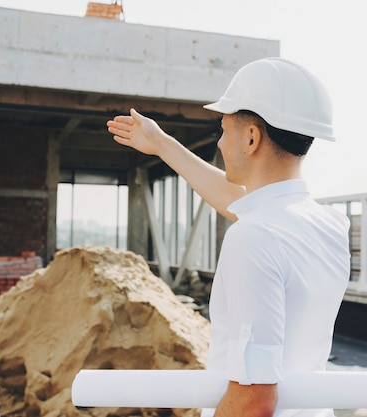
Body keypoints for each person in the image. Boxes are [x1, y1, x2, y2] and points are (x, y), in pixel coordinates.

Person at [107, 57, 351, 417]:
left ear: (251, 137)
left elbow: (255, 399)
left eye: (224, 129)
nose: (220, 143)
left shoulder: (253, 236)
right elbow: (248, 206)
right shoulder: (329, 224)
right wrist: (163, 144)